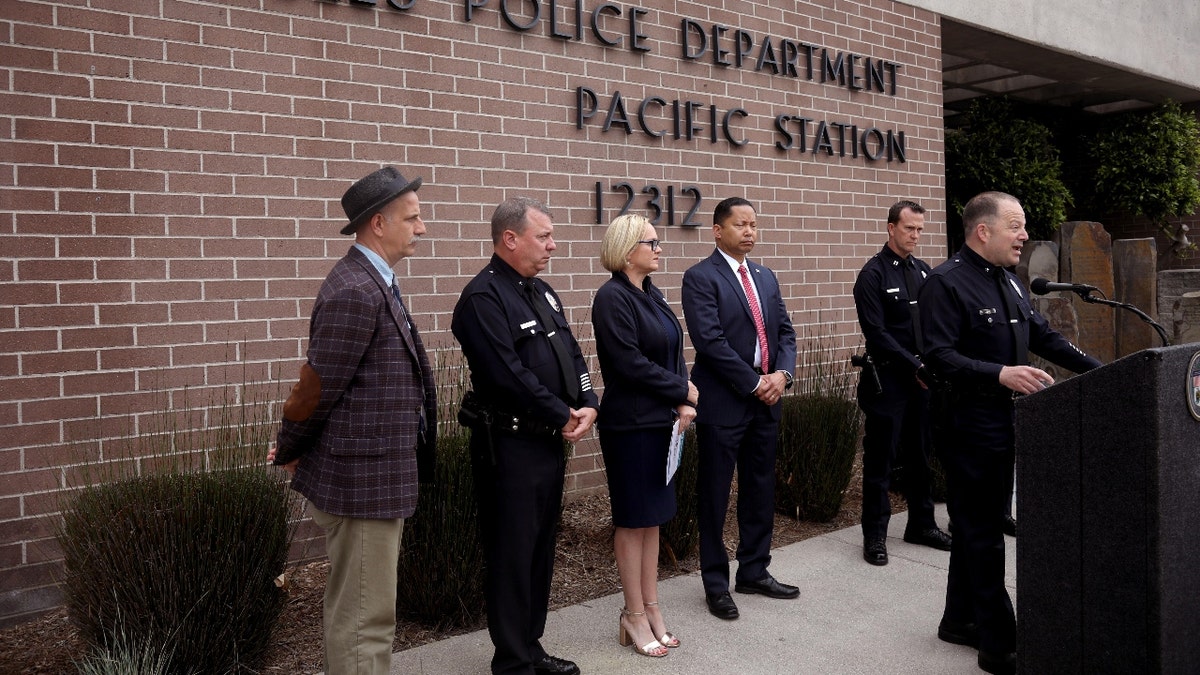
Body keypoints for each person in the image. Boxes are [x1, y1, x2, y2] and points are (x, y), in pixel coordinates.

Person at [919, 191, 1102, 675]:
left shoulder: (1010, 281)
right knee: (983, 534)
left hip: (1004, 424)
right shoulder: (945, 283)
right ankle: (999, 644)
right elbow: (938, 356)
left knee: (978, 527)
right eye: (1016, 226)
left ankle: (958, 621)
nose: (1024, 235)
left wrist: (1102, 372)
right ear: (984, 231)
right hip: (966, 426)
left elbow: (1042, 335)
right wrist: (999, 372)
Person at [268, 166, 437, 674]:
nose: (422, 228)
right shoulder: (355, 291)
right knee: (364, 620)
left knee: (366, 614)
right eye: (413, 218)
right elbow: (316, 387)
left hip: (375, 481)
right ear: (378, 223)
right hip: (361, 485)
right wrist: (291, 447)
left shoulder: (373, 282)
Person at [451, 197, 599, 675]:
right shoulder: (483, 299)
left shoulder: (543, 291)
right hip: (509, 449)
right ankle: (513, 663)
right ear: (510, 239)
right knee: (512, 555)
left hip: (547, 443)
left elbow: (572, 355)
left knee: (538, 552)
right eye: (544, 237)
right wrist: (561, 413)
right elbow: (506, 375)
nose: (553, 246)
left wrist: (589, 402)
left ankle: (532, 649)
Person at [680, 196, 799, 621]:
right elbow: (710, 342)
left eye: (753, 224)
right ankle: (716, 583)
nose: (749, 231)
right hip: (725, 402)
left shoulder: (766, 277)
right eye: (740, 224)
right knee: (714, 494)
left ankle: (754, 570)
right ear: (717, 230)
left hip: (767, 401)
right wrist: (754, 384)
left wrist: (782, 376)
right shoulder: (700, 277)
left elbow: (785, 330)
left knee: (759, 488)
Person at [591, 215, 698, 658]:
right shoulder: (612, 298)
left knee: (653, 520)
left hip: (661, 424)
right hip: (630, 426)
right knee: (633, 521)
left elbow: (673, 351)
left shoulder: (651, 295)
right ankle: (632, 614)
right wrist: (681, 390)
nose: (659, 249)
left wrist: (686, 400)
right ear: (626, 247)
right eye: (651, 242)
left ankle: (652, 607)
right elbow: (628, 363)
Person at [852, 200, 951, 566]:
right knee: (881, 460)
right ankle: (875, 535)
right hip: (889, 382)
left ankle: (921, 524)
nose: (915, 236)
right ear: (891, 228)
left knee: (920, 455)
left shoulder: (924, 272)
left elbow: (934, 325)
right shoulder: (873, 274)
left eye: (920, 230)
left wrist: (933, 365)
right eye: (909, 228)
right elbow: (876, 333)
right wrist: (915, 365)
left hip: (922, 384)